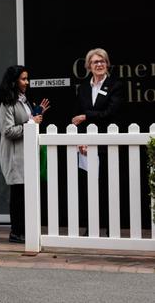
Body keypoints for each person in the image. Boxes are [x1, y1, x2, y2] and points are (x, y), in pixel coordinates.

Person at [72, 48, 124, 236]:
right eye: (95, 62)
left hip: (107, 144)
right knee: (89, 188)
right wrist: (80, 140)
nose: (99, 64)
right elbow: (76, 117)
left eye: (102, 61)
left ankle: (111, 228)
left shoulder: (115, 85)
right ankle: (91, 227)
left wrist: (87, 116)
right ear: (88, 66)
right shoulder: (84, 88)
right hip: (87, 146)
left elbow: (111, 113)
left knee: (108, 187)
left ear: (107, 64)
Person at [0, 65, 49, 243]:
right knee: (18, 195)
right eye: (23, 79)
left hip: (26, 155)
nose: (27, 82)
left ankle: (26, 231)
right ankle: (16, 232)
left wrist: (36, 115)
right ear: (14, 81)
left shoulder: (24, 100)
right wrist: (31, 122)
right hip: (14, 156)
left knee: (26, 195)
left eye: (27, 78)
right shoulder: (7, 102)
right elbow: (8, 131)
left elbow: (27, 121)